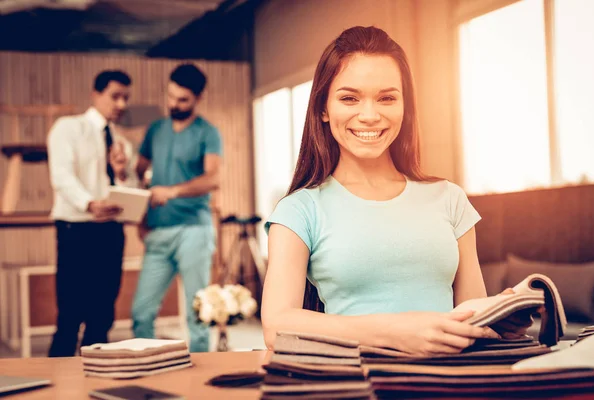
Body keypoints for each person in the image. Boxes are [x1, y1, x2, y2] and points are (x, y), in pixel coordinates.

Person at [261, 26, 515, 356]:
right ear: (323, 109)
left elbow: (469, 311)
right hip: (358, 384)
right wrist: (393, 332)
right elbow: (276, 325)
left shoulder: (449, 199)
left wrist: (499, 318)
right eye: (349, 98)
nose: (370, 115)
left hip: (449, 383)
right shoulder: (299, 210)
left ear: (405, 107)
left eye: (387, 98)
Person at [132, 63, 222, 352]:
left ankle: (199, 387)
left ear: (198, 98)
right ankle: (146, 370)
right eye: (170, 96)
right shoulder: (156, 129)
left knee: (197, 316)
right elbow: (139, 171)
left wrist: (172, 191)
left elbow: (213, 178)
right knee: (141, 313)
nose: (173, 104)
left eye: (182, 100)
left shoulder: (208, 132)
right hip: (158, 231)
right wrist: (139, 214)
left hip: (194, 231)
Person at [47, 70, 137, 357]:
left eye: (125, 98)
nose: (121, 104)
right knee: (70, 314)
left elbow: (131, 188)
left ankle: (95, 384)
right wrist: (89, 203)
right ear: (95, 94)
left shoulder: (123, 142)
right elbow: (61, 176)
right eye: (115, 96)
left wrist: (122, 173)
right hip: (77, 229)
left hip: (110, 232)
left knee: (102, 316)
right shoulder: (68, 128)